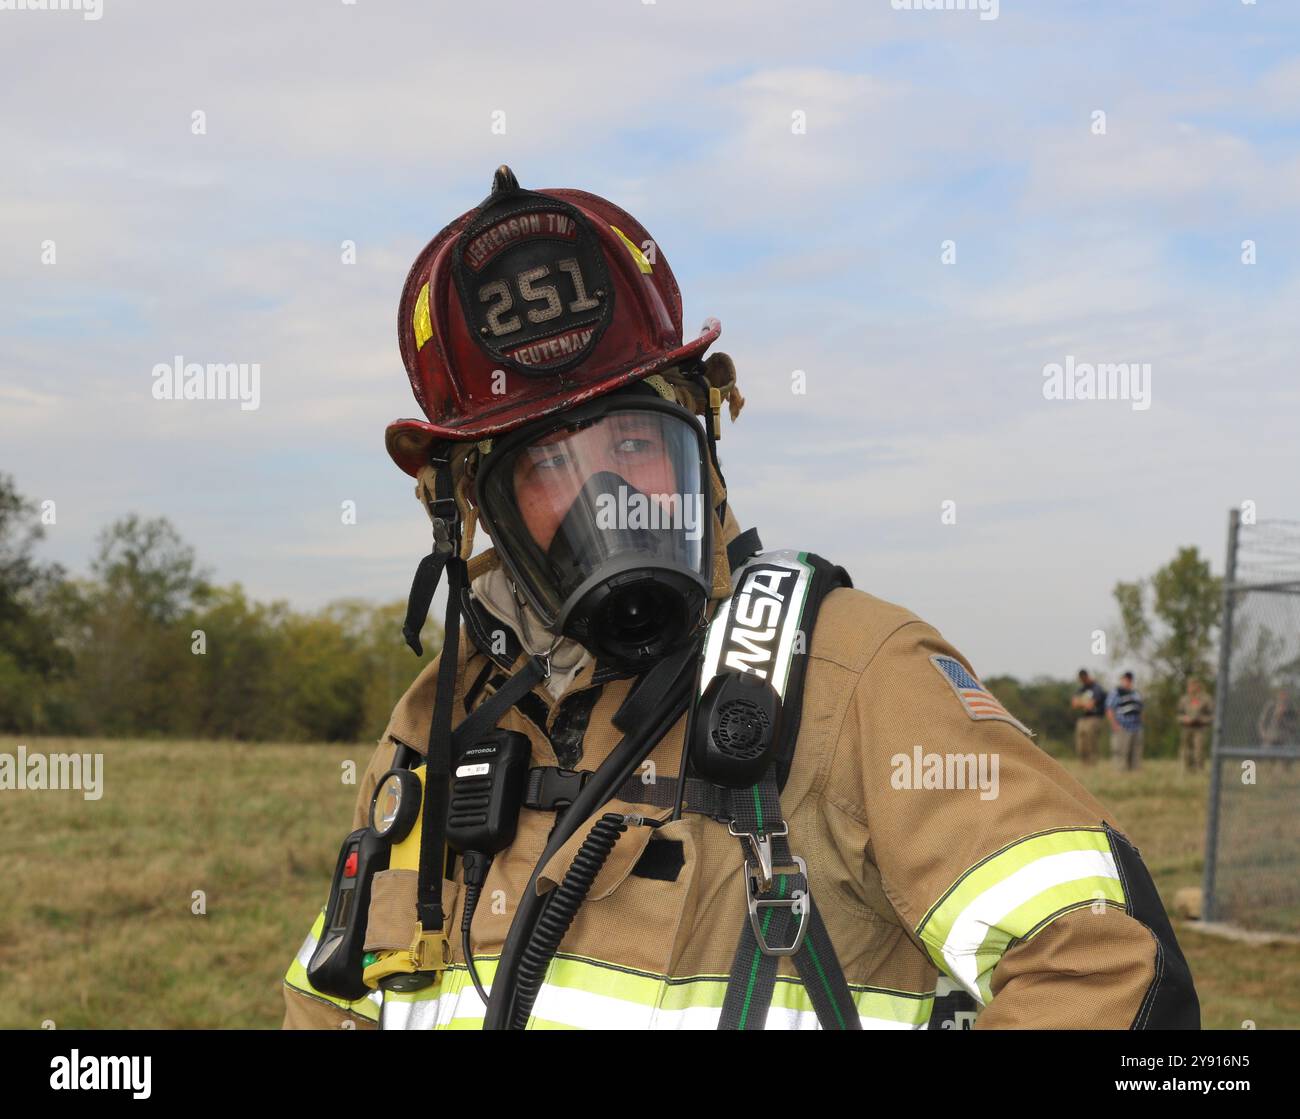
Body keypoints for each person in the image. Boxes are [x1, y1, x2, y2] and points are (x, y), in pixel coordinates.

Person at [280, 167, 1198, 1030]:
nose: (611, 494)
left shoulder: (852, 677)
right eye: (551, 465)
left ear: (701, 440)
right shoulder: (439, 720)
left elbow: (1115, 974)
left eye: (634, 440)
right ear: (474, 503)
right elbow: (333, 998)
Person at [1107, 671, 1145, 772]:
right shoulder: (1116, 693)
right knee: (1121, 751)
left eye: (1129, 680)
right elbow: (1110, 709)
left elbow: (1141, 709)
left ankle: (1135, 772)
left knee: (1136, 752)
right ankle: (1120, 772)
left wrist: (1141, 723)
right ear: (1122, 680)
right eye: (1125, 679)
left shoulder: (1136, 694)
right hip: (1123, 727)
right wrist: (1114, 725)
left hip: (1136, 727)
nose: (1128, 682)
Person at [1071, 668, 1107, 765]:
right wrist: (1084, 703)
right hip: (1083, 718)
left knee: (1091, 741)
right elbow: (1074, 704)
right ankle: (1084, 763)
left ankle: (1093, 763)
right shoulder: (1082, 688)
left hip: (1094, 718)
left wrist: (1081, 702)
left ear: (1086, 677)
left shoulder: (1097, 688)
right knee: (1081, 742)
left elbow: (1090, 705)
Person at [1176, 678, 1213, 773]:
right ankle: (1187, 770)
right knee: (1186, 750)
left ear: (1198, 686)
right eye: (1189, 685)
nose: (1190, 687)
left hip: (1199, 728)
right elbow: (1178, 714)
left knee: (1198, 750)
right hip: (1187, 728)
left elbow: (1212, 716)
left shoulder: (1206, 699)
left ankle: (1200, 770)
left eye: (1193, 685)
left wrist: (1201, 719)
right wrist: (1183, 719)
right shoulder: (1184, 699)